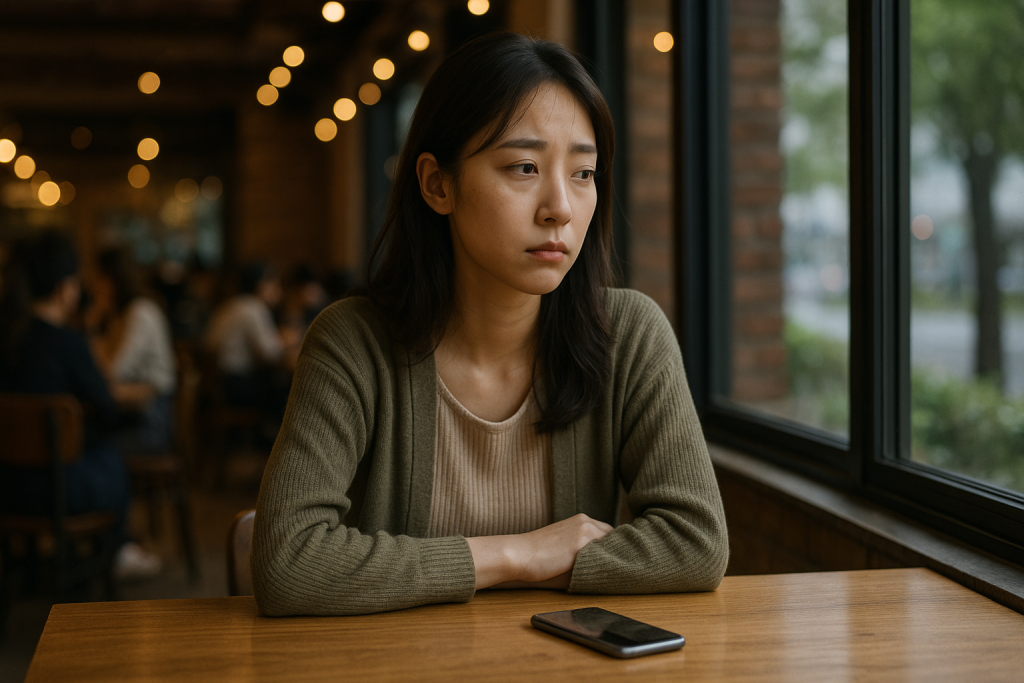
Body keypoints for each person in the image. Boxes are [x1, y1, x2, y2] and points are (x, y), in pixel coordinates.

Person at [251, 32, 728, 617]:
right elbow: (288, 563)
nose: (560, 207)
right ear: (437, 184)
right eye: (524, 167)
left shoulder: (628, 334)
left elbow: (697, 544)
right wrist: (518, 556)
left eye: (583, 174)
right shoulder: (354, 344)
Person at [0, 231, 161, 579]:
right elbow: (106, 408)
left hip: (7, 486)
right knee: (109, 458)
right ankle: (117, 550)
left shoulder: (7, 337)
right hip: (59, 491)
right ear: (65, 288)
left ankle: (29, 565)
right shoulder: (67, 344)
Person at [88, 247, 177, 455]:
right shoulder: (120, 315)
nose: (96, 286)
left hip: (152, 422)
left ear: (114, 279)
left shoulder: (140, 313)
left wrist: (91, 325)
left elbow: (112, 371)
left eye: (101, 279)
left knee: (90, 447)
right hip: (132, 412)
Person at [203, 262, 284, 410]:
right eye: (274, 284)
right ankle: (271, 431)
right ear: (261, 285)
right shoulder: (254, 308)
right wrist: (285, 341)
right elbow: (270, 354)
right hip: (236, 386)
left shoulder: (229, 305)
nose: (278, 291)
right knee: (287, 389)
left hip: (218, 385)